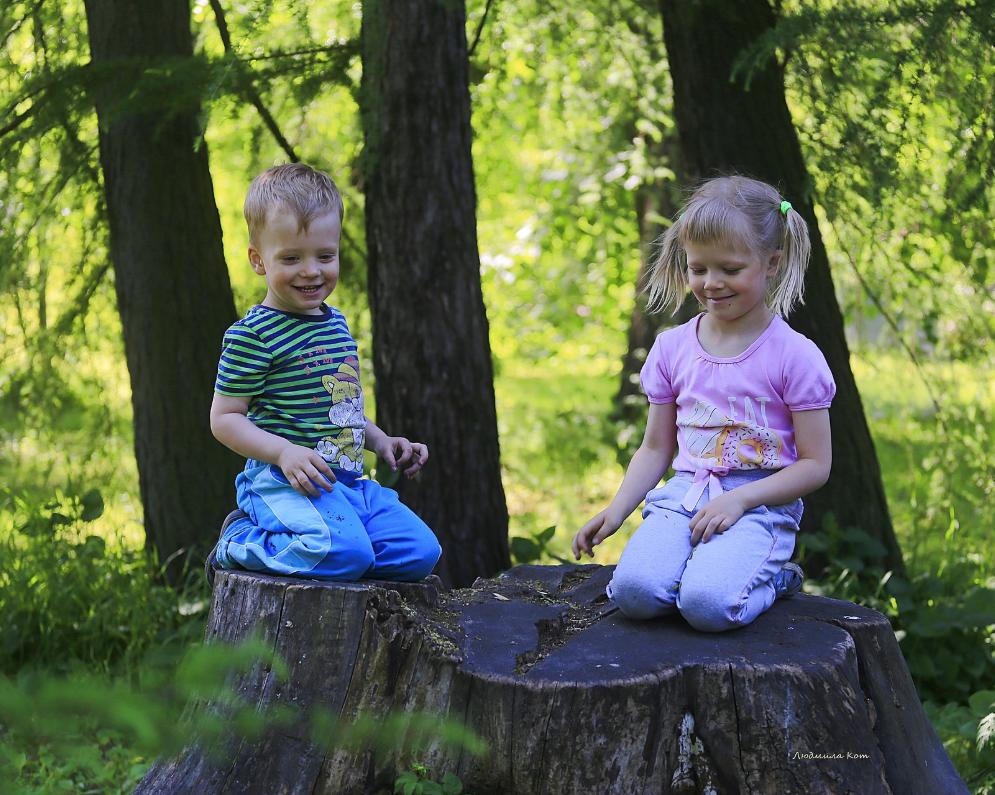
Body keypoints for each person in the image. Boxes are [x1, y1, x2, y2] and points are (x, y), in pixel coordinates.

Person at [572, 175, 835, 632]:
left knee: (708, 607)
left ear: (771, 263)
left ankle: (773, 581)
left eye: (730, 270)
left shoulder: (795, 356)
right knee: (633, 594)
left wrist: (742, 499)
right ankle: (694, 570)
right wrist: (617, 511)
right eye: (698, 269)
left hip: (760, 504)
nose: (711, 284)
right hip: (686, 493)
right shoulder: (673, 348)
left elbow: (815, 465)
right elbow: (656, 449)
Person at [206, 163, 441, 584]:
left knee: (420, 553)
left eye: (325, 256)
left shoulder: (335, 325)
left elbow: (342, 410)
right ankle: (238, 541)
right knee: (344, 555)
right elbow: (223, 420)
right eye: (291, 258)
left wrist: (382, 441)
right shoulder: (252, 335)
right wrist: (282, 452)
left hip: (347, 483)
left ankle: (338, 549)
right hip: (284, 482)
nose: (311, 270)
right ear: (259, 261)